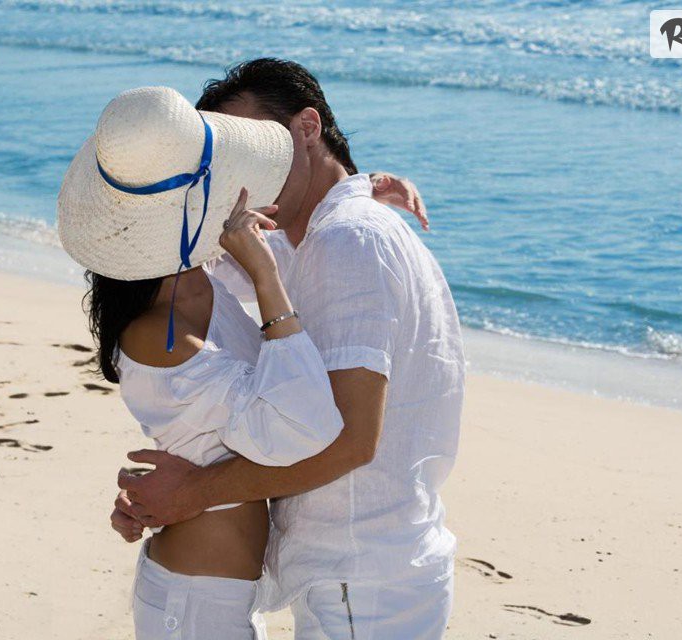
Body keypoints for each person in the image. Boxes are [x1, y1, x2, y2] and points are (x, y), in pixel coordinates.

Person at [58, 85, 432, 639]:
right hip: (194, 602)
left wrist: (354, 190)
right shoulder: (164, 332)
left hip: (211, 591)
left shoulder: (197, 280)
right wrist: (266, 280)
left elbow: (290, 237)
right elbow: (308, 425)